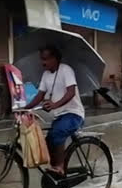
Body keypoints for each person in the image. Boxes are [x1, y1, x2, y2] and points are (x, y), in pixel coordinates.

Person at [22, 45, 84, 175]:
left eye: (46, 59)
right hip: (59, 116)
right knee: (47, 142)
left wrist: (55, 105)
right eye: (42, 59)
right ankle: (56, 170)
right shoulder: (45, 75)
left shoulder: (66, 70)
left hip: (73, 114)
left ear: (55, 59)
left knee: (57, 133)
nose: (43, 62)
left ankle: (60, 167)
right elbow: (40, 95)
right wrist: (24, 108)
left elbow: (71, 92)